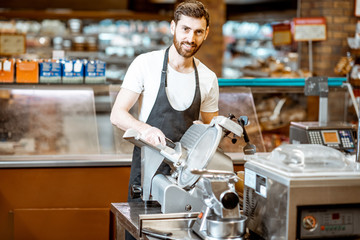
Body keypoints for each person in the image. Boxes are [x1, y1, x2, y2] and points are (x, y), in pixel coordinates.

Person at [110, 1, 219, 237]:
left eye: (198, 32)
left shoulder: (208, 78)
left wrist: (207, 131)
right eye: (185, 29)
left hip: (187, 181)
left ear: (206, 33)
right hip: (147, 174)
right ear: (173, 27)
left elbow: (212, 130)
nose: (191, 38)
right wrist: (144, 128)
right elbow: (117, 114)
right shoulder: (145, 64)